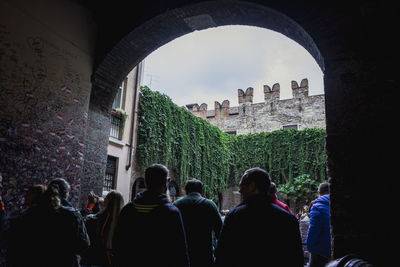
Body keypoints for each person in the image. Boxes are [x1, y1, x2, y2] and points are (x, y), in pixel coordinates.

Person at [215, 167, 303, 267]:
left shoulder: (235, 216)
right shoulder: (288, 218)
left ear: (252, 187)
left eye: (242, 186)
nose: (240, 190)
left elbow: (222, 255)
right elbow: (296, 258)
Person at [113, 164, 189, 267]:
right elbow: (180, 251)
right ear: (166, 182)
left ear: (145, 182)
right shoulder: (171, 213)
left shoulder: (128, 210)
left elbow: (117, 244)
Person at [7, 180, 90, 266]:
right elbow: (83, 244)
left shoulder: (27, 216)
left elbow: (15, 250)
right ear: (66, 194)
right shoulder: (72, 215)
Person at [173, 178, 222, 267]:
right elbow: (220, 231)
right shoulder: (209, 205)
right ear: (202, 191)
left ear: (186, 191)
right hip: (204, 255)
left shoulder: (177, 204)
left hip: (183, 255)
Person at [81, 190, 124, 267]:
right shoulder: (123, 223)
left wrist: (90, 206)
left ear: (106, 202)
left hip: (94, 260)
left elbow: (83, 222)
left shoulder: (96, 220)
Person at [306, 182, 331, 267]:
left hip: (320, 251)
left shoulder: (317, 207)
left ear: (318, 192)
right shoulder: (337, 204)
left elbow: (313, 230)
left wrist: (309, 246)